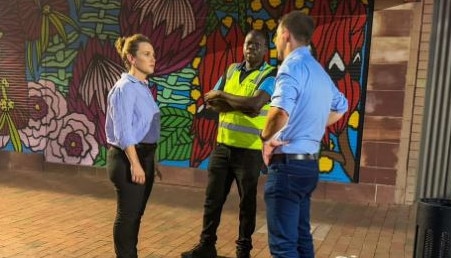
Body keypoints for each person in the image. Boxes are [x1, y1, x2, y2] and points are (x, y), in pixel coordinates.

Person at [181, 30, 277, 258]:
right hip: (222, 148)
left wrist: (224, 95)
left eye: (257, 44)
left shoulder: (271, 75)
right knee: (212, 199)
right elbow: (210, 100)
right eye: (248, 43)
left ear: (265, 50)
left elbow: (255, 105)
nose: (251, 47)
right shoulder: (231, 70)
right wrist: (233, 102)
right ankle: (206, 245)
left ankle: (243, 251)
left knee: (247, 203)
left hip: (249, 151)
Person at [260, 11, 348, 258]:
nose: (276, 41)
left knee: (283, 246)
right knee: (301, 239)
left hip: (287, 166)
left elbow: (279, 113)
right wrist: (314, 126)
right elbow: (342, 105)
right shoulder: (318, 71)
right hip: (308, 166)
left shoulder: (291, 68)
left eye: (277, 35)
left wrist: (265, 139)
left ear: (286, 35)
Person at [105, 33, 161, 258]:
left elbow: (144, 127)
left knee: (136, 214)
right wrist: (136, 164)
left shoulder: (141, 86)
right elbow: (124, 131)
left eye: (153, 54)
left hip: (142, 157)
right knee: (128, 216)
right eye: (146, 54)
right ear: (131, 58)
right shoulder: (125, 88)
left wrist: (151, 160)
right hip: (127, 159)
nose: (153, 58)